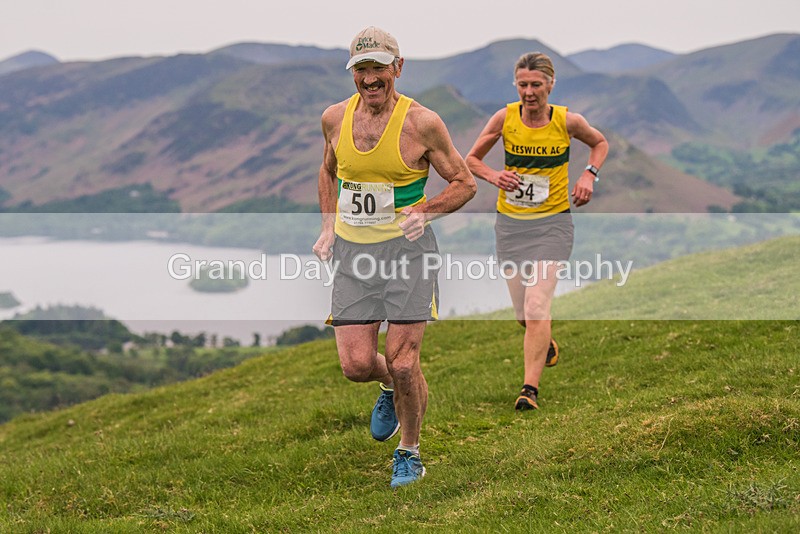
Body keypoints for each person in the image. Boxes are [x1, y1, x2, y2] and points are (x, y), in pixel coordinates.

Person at [312, 26, 476, 488]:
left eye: (379, 67)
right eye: (361, 68)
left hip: (408, 254)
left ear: (397, 68)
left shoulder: (422, 123)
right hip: (353, 256)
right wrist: (328, 227)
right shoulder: (334, 119)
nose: (370, 78)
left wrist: (424, 210)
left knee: (404, 360)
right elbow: (328, 172)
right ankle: (391, 387)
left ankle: (410, 452)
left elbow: (465, 183)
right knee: (357, 366)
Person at [465, 52, 608, 411]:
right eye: (523, 85)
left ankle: (529, 390)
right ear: (516, 85)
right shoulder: (505, 118)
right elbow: (471, 160)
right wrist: (494, 176)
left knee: (536, 304)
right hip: (511, 226)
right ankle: (544, 341)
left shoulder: (567, 121)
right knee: (523, 315)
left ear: (550, 85)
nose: (529, 92)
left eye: (536, 85)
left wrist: (590, 174)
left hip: (553, 225)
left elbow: (600, 143)